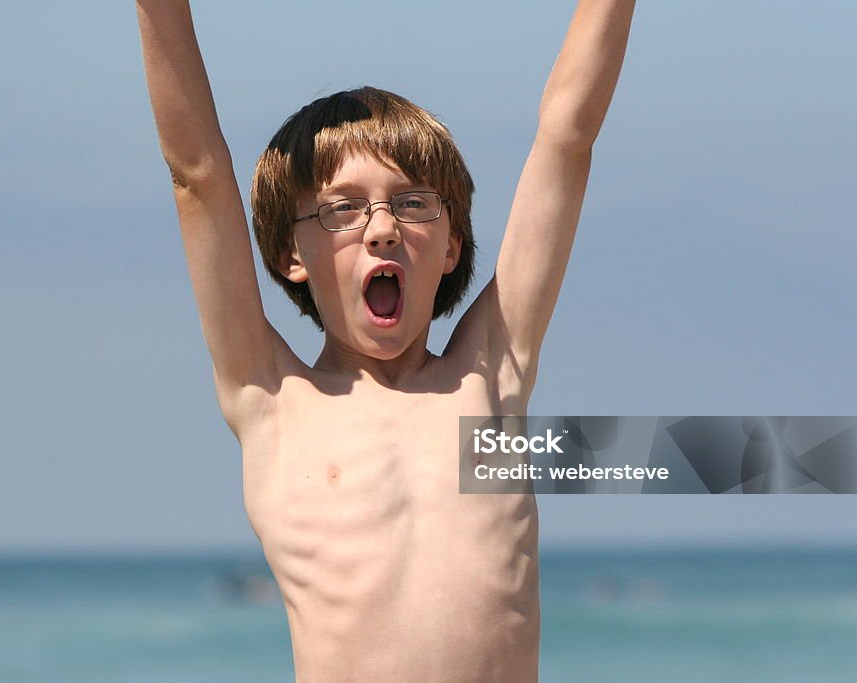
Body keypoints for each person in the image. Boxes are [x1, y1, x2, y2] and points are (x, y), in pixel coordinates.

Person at [136, 1, 635, 680]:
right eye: (343, 208)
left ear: (454, 241)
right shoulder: (271, 401)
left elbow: (567, 137)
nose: (381, 227)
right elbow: (197, 174)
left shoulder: (487, 379)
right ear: (290, 252)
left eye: (411, 202)